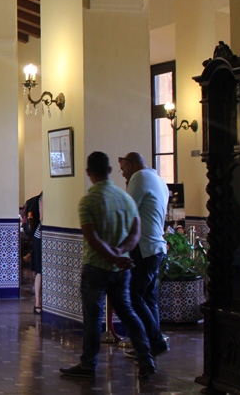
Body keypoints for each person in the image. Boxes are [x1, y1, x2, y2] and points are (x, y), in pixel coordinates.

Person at [60, 151, 155, 379]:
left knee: (93, 318)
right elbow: (135, 232)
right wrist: (120, 254)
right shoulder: (125, 198)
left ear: (88, 173)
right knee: (129, 314)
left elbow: (91, 237)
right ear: (111, 171)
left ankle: (88, 364)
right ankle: (146, 358)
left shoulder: (89, 200)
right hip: (120, 270)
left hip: (95, 268)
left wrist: (111, 256)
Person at [119, 152, 170, 358]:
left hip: (144, 247)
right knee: (149, 298)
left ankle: (154, 342)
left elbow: (127, 210)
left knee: (133, 296)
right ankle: (150, 345)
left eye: (123, 170)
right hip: (157, 247)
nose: (123, 175)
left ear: (130, 165)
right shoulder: (159, 180)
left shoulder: (139, 178)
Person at [22, 192, 43, 314]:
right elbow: (42, 218)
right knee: (40, 270)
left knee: (39, 271)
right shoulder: (44, 198)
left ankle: (38, 303)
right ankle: (38, 303)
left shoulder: (41, 197)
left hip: (38, 237)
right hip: (41, 237)